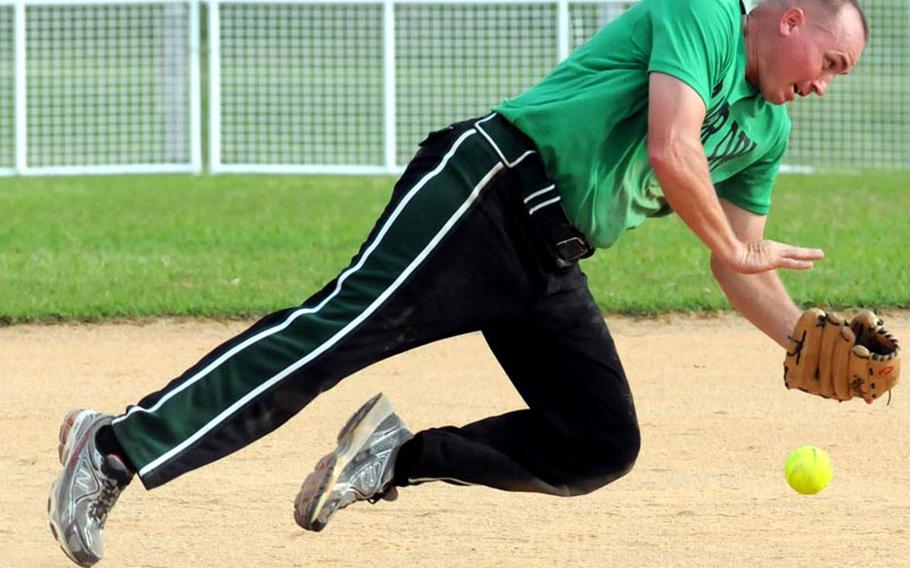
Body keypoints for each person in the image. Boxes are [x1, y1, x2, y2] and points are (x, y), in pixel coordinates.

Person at [48, 0, 870, 565]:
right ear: (792, 18)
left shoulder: (767, 127)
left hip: (550, 258)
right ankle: (116, 448)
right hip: (488, 189)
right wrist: (730, 239)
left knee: (599, 441)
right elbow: (671, 146)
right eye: (828, 60)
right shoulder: (705, 16)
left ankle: (390, 459)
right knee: (329, 337)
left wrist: (800, 336)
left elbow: (743, 261)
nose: (823, 84)